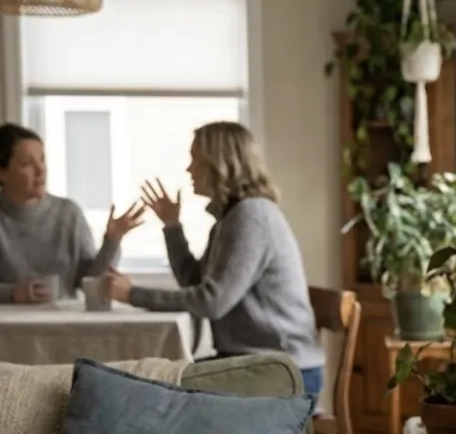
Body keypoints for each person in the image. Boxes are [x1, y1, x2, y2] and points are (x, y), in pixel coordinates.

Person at [102, 121, 325, 397]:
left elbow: (212, 302)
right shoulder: (231, 218)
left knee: (150, 389)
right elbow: (194, 283)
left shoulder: (250, 217)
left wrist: (132, 294)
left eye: (195, 158)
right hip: (257, 363)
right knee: (150, 381)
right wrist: (172, 226)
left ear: (219, 163)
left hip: (283, 373)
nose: (189, 169)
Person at [0, 123, 145, 304]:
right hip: (0, 326)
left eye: (42, 159)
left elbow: (91, 282)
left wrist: (112, 240)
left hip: (62, 324)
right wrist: (13, 293)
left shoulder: (69, 212)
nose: (41, 170)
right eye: (27, 164)